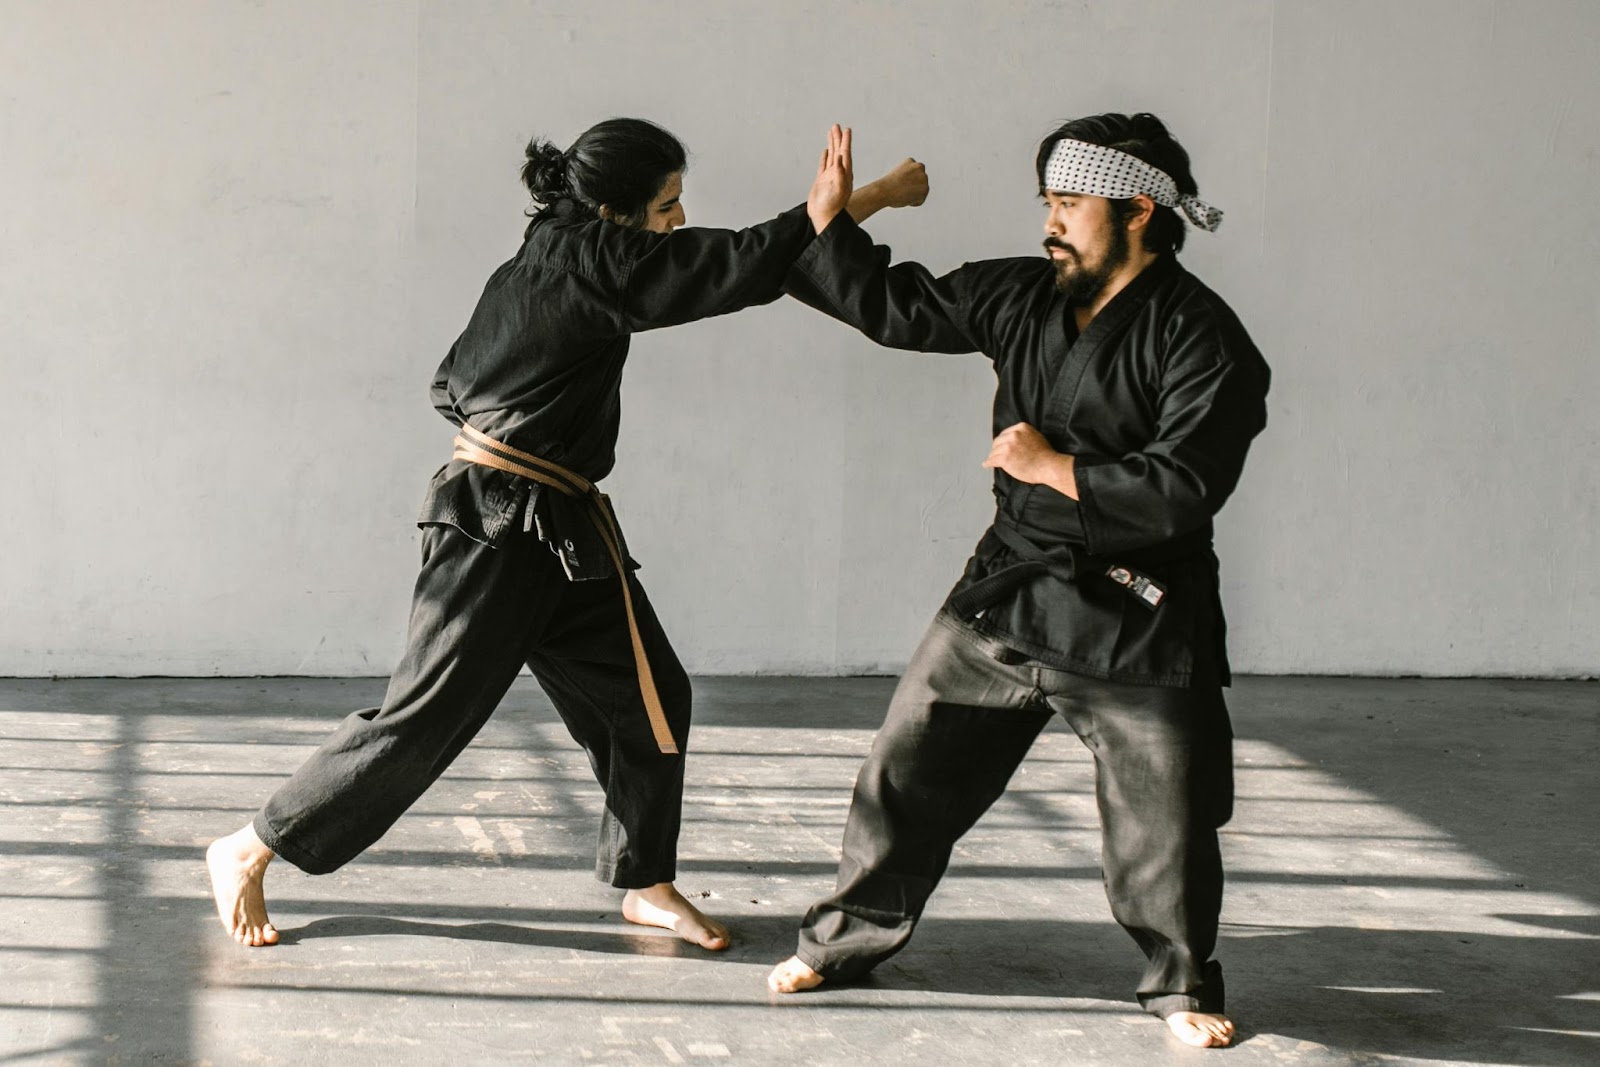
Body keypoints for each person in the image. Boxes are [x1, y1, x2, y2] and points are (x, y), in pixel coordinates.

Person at [207, 119, 928, 951]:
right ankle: (253, 843)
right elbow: (731, 267)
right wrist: (853, 203)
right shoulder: (594, 263)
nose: (678, 215)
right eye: (666, 202)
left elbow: (452, 381)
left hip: (561, 526)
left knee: (648, 697)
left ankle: (645, 882)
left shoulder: (550, 253)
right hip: (495, 530)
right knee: (425, 715)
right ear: (617, 212)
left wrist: (849, 209)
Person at [766, 113, 1269, 1049]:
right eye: (1047, 200)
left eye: (1069, 203)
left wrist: (1056, 469)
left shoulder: (1204, 337)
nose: (1051, 221)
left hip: (1136, 611)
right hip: (1009, 586)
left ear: (1138, 210)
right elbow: (897, 305)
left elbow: (1188, 485)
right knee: (905, 771)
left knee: (1164, 819)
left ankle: (1179, 984)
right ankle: (840, 942)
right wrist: (833, 223)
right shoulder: (1023, 295)